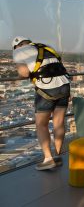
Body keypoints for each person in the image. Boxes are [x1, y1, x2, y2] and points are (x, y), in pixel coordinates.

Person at [12, 36, 71, 170]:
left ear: (16, 46)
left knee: (41, 125)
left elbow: (24, 72)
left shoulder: (19, 51)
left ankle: (48, 159)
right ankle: (57, 155)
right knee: (59, 122)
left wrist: (17, 77)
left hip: (47, 88)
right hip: (64, 85)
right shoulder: (46, 47)